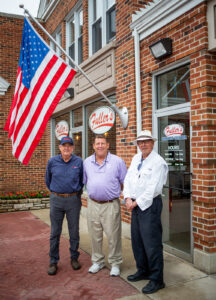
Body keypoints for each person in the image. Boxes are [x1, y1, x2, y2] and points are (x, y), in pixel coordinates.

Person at [123, 130, 168, 294]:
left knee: (152, 244)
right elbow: (128, 179)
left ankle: (157, 279)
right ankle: (143, 270)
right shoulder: (136, 158)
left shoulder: (158, 162)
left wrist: (136, 202)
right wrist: (127, 197)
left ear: (153, 143)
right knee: (137, 241)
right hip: (134, 204)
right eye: (140, 142)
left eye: (146, 141)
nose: (143, 144)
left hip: (149, 206)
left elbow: (153, 188)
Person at [83, 134, 127, 277]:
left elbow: (124, 181)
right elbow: (85, 180)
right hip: (93, 204)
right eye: (97, 143)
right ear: (93, 146)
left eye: (103, 143)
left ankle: (115, 263)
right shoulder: (87, 162)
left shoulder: (117, 161)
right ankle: (98, 261)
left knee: (114, 236)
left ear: (108, 145)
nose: (100, 146)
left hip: (110, 204)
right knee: (95, 235)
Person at [45, 136, 83, 275]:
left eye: (69, 145)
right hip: (56, 200)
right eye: (64, 145)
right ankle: (53, 261)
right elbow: (48, 180)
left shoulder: (78, 162)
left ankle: (74, 258)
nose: (66, 148)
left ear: (72, 148)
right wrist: (57, 193)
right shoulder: (52, 161)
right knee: (55, 232)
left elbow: (81, 181)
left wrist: (74, 194)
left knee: (74, 231)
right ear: (60, 147)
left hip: (73, 200)